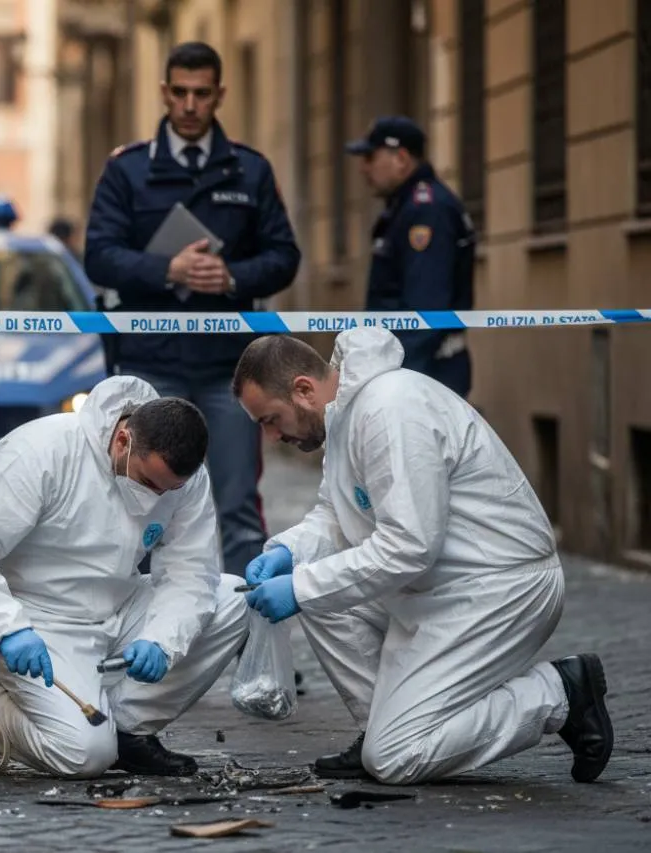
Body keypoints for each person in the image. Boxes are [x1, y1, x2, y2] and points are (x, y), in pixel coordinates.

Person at [231, 328, 613, 786]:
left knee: (395, 757)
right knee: (317, 593)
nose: (272, 437)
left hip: (499, 587)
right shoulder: (347, 414)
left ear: (304, 390)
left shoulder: (391, 409)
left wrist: (298, 587)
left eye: (269, 420)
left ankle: (559, 691)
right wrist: (288, 554)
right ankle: (381, 726)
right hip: (439, 586)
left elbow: (409, 546)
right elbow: (338, 515)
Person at [0, 375, 251, 779]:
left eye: (167, 490)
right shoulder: (42, 450)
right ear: (123, 440)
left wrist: (161, 640)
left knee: (234, 598)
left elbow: (192, 573)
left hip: (120, 602)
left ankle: (126, 729)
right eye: (150, 483)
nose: (156, 497)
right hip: (39, 620)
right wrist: (6, 626)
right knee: (82, 757)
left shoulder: (182, 482)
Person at [83, 41, 301, 576]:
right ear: (164, 92)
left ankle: (252, 642)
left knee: (238, 512)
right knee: (140, 505)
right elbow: (99, 256)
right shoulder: (127, 171)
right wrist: (167, 270)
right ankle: (136, 637)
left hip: (228, 372)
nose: (189, 105)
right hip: (150, 364)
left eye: (201, 94)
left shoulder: (249, 172)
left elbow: (284, 256)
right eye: (179, 92)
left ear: (219, 95)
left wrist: (232, 277)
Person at [347, 115, 475, 398]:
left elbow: (426, 311)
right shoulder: (405, 207)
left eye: (370, 157)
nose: (363, 168)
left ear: (401, 158)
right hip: (410, 370)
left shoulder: (426, 211)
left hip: (424, 373)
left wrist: (392, 374)